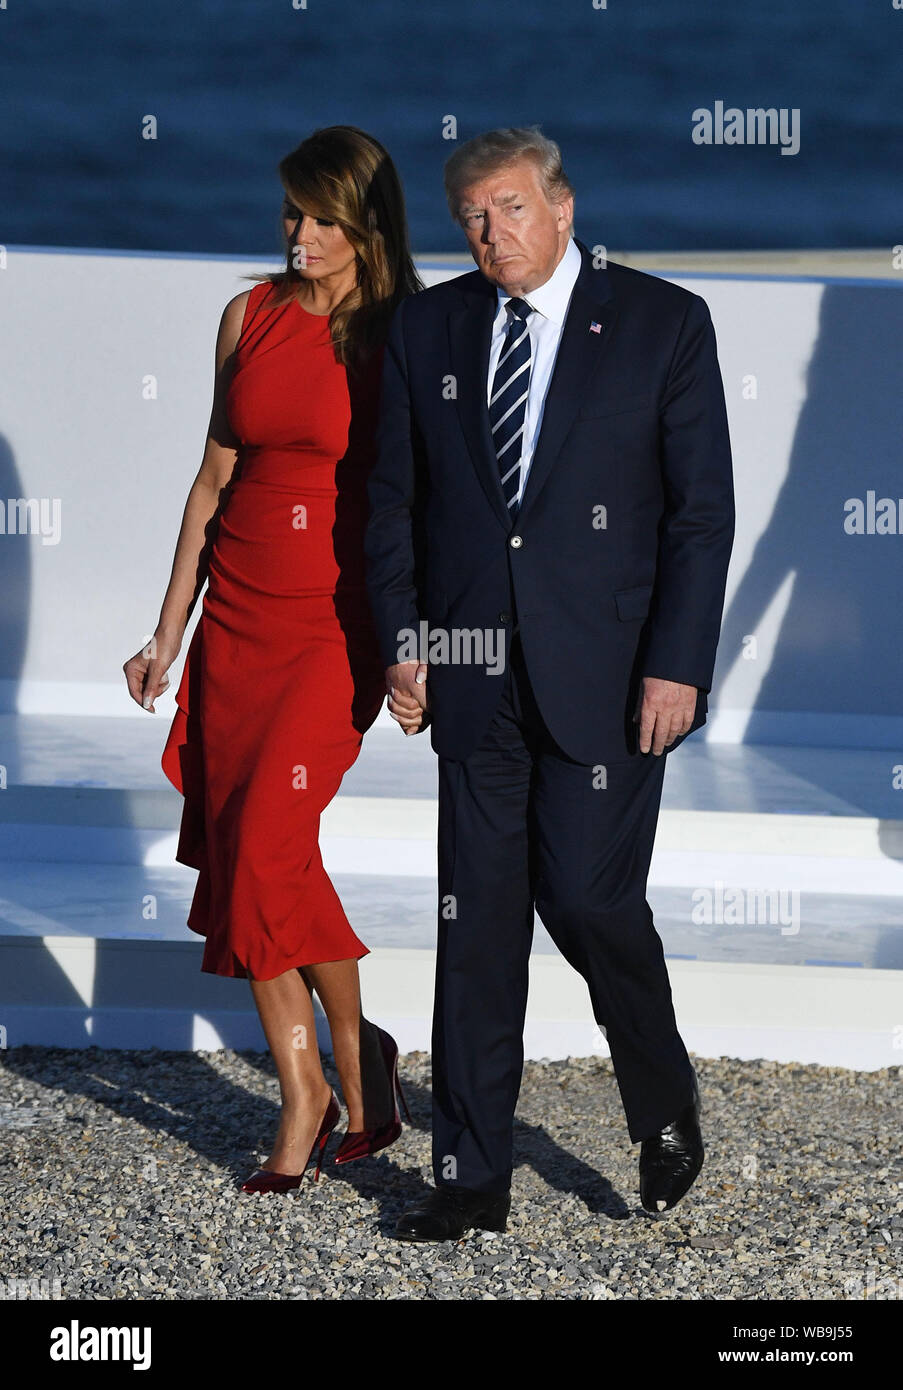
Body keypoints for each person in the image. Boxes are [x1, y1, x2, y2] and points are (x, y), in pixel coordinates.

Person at [365, 126, 735, 1240]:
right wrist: (404, 640)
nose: (493, 233)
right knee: (477, 928)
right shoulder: (427, 325)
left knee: (586, 898)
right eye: (472, 216)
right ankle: (470, 1177)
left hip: (612, 677)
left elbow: (699, 514)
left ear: (563, 209)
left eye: (512, 207)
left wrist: (677, 664)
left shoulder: (663, 322)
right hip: (470, 671)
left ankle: (661, 1095)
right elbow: (392, 499)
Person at [123, 126, 421, 1192]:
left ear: (366, 223)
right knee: (258, 855)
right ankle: (338, 1075)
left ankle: (327, 1076)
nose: (299, 233)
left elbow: (432, 504)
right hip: (235, 621)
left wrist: (417, 645)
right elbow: (212, 480)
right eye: (292, 211)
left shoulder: (406, 332)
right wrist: (168, 630)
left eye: (322, 217)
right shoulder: (247, 315)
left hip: (333, 629)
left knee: (262, 848)